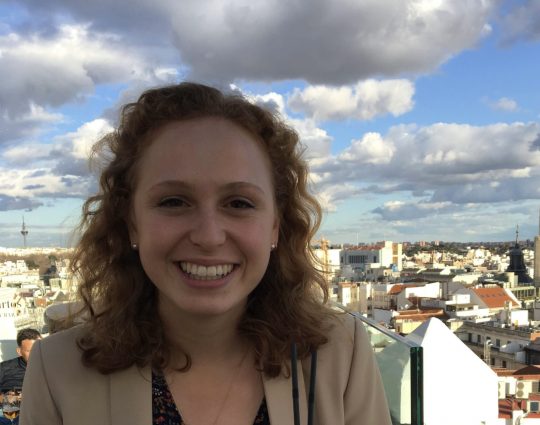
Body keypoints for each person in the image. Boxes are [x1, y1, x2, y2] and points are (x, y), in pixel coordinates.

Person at [20, 82, 391, 425]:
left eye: (239, 203)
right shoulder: (57, 370)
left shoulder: (340, 356)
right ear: (131, 223)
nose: (209, 236)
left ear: (275, 226)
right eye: (174, 201)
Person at [0, 328, 41, 392]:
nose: (37, 353)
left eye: (40, 348)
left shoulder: (54, 365)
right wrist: (6, 398)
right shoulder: (4, 368)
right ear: (19, 351)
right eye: (30, 351)